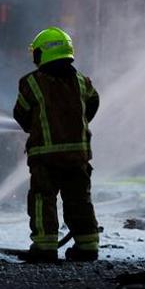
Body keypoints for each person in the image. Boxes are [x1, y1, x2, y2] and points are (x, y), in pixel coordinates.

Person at [12, 27, 100, 262]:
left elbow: (21, 114)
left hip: (45, 157)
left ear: (41, 54)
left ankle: (45, 247)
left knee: (43, 199)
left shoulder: (31, 83)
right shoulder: (82, 81)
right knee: (79, 200)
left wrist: (38, 126)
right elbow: (93, 102)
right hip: (78, 156)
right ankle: (88, 246)